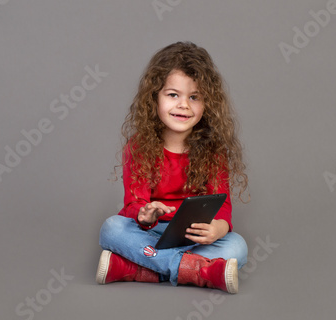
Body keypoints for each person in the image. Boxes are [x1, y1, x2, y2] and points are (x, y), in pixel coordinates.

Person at [96, 41, 248, 293]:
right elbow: (133, 204)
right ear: (154, 97)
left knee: (237, 246)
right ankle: (198, 271)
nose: (184, 105)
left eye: (194, 97)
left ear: (207, 104)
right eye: (173, 95)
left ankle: (140, 268)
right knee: (112, 228)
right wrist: (145, 215)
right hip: (150, 233)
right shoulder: (139, 146)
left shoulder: (214, 149)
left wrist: (218, 229)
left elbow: (224, 206)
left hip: (192, 239)